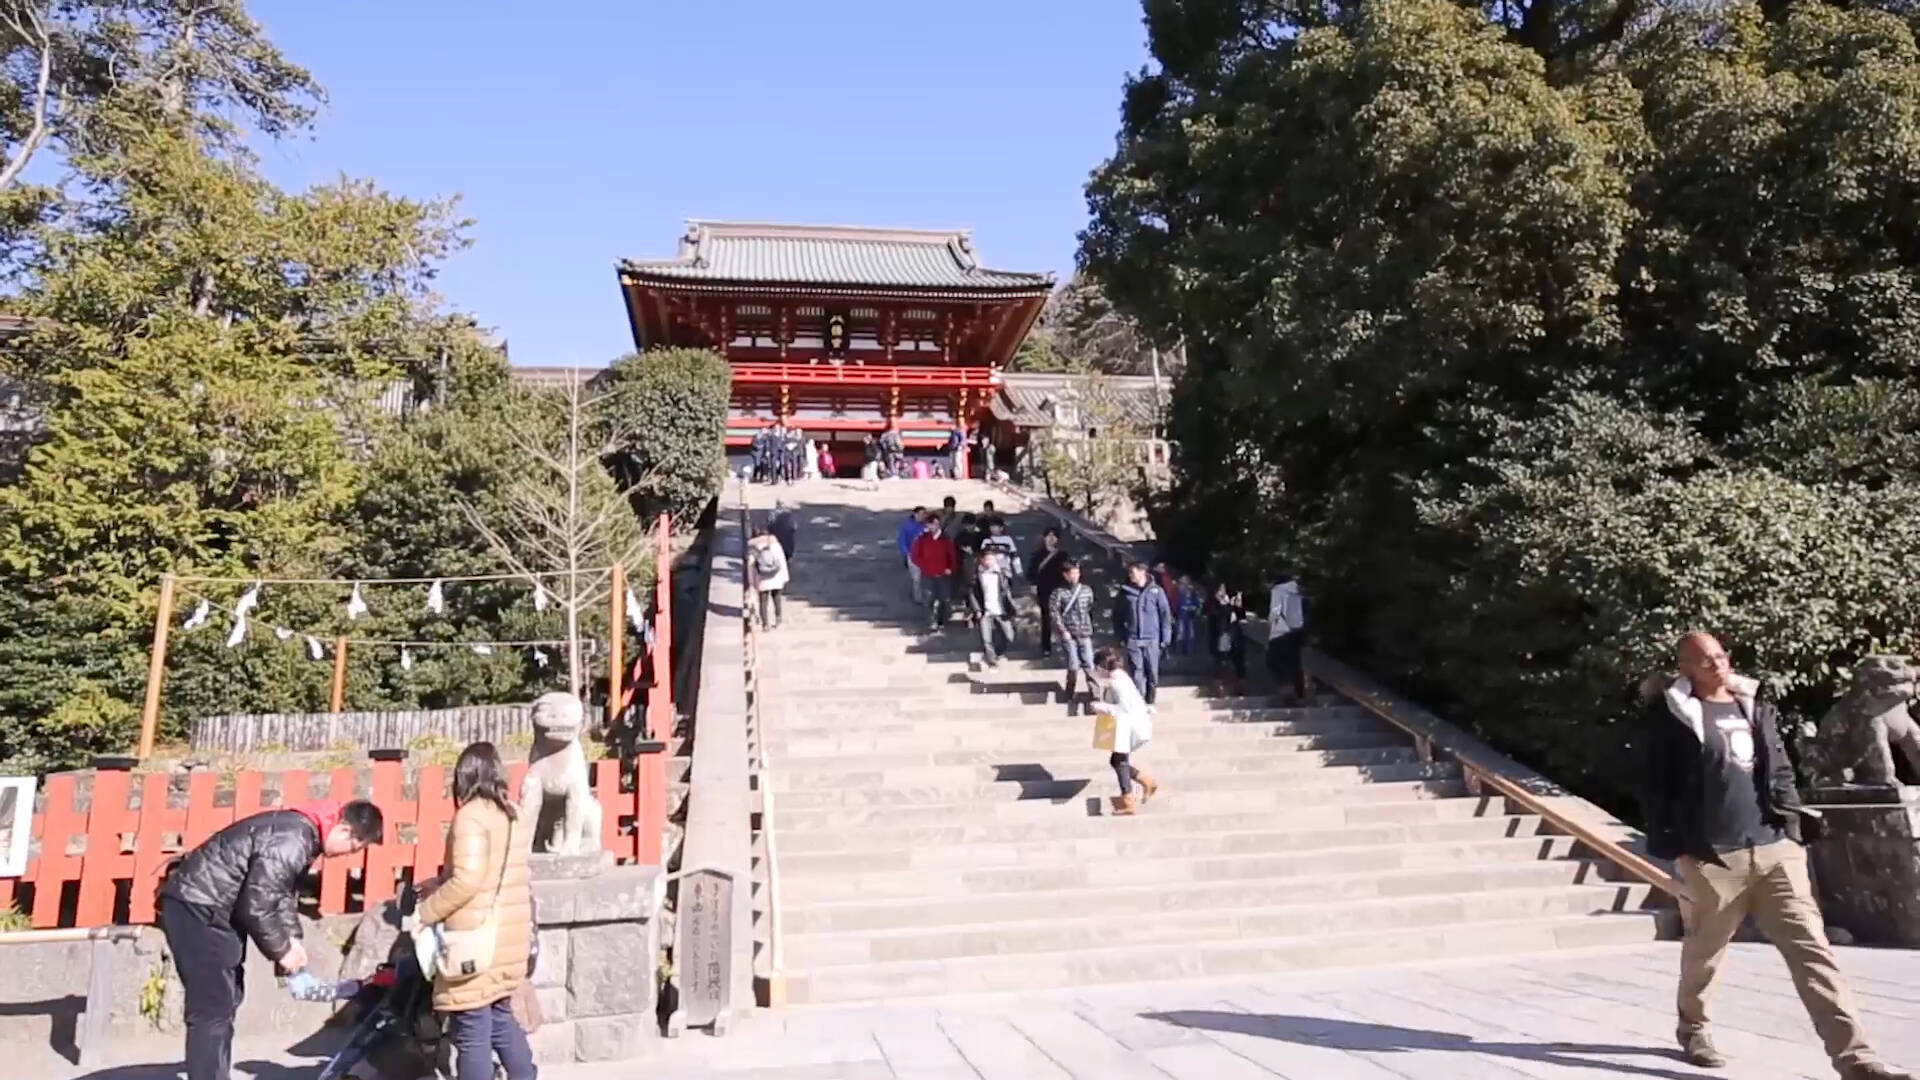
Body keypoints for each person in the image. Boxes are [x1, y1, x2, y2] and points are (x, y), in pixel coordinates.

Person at [1639, 633, 1915, 1080]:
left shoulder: (1753, 706)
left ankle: (1855, 1059)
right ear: (1686, 667)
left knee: (1814, 953)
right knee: (1706, 954)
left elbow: (1780, 768)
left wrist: (1789, 830)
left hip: (1774, 851)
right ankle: (1694, 1029)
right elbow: (1655, 788)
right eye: (1704, 660)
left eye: (1721, 655)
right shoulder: (1671, 719)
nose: (1717, 664)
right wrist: (1682, 853)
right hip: (1714, 858)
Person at [159, 798, 385, 1080]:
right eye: (355, 846)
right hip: (198, 906)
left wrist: (292, 939)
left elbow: (281, 895)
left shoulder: (300, 834)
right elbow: (256, 904)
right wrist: (281, 951)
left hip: (213, 909)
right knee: (213, 1005)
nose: (349, 854)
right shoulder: (293, 838)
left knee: (226, 999)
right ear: (343, 829)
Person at [406, 743, 536, 1080]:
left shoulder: (471, 816)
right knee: (501, 1018)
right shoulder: (514, 812)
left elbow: (467, 881)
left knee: (472, 1027)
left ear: (464, 776)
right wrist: (441, 881)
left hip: (476, 942)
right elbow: (496, 873)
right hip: (509, 937)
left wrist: (425, 913)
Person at [1093, 646, 1159, 816]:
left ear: (1102, 666)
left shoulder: (1116, 683)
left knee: (1119, 761)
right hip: (1129, 726)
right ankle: (1145, 782)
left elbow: (1123, 708)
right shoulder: (1122, 678)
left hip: (1129, 727)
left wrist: (1101, 707)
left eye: (1097, 667)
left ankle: (1128, 799)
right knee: (1117, 760)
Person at [1113, 561, 1173, 705]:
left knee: (1152, 673)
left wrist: (1166, 637)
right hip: (1133, 638)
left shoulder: (1156, 591)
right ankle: (1139, 702)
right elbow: (1117, 616)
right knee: (1136, 673)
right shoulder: (1125, 592)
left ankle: (1150, 701)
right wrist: (1120, 636)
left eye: (1133, 572)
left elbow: (1165, 615)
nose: (1130, 575)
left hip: (1152, 638)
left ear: (1142, 572)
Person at [1049, 559, 1098, 715]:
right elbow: (1054, 612)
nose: (1075, 576)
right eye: (1072, 573)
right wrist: (1062, 630)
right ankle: (1069, 693)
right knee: (1073, 665)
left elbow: (1090, 608)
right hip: (1068, 632)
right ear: (1065, 575)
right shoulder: (1058, 592)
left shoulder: (1087, 590)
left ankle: (1095, 694)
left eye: (1077, 572)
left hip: (1084, 631)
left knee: (1089, 664)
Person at [910, 516, 960, 629]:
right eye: (930, 524)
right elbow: (915, 556)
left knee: (945, 598)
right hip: (928, 574)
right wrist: (924, 566)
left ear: (939, 525)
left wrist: (951, 569)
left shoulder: (946, 539)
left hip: (943, 574)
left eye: (934, 524)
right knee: (928, 598)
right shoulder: (922, 539)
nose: (932, 527)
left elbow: (952, 556)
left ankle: (942, 619)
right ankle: (931, 621)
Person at [1027, 527, 1070, 657]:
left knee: (1063, 616)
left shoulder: (1063, 555)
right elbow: (1031, 572)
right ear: (1044, 538)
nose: (1051, 539)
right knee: (1046, 618)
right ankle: (1046, 646)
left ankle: (1066, 644)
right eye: (1049, 536)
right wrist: (1033, 584)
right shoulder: (1037, 555)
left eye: (1054, 536)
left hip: (1060, 589)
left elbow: (1068, 571)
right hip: (1044, 588)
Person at [1266, 571, 1308, 703]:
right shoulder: (1296, 591)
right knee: (1294, 663)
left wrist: (1270, 626)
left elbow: (1275, 612)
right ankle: (1299, 694)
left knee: (1275, 662)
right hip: (1295, 632)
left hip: (1280, 633)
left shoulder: (1278, 591)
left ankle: (1286, 693)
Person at [976, 549, 1018, 668]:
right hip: (986, 611)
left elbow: (1008, 588)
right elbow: (973, 593)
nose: (989, 562)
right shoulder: (979, 575)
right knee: (986, 638)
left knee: (1009, 636)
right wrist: (977, 609)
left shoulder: (1001, 573)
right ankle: (991, 659)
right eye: (987, 559)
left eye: (991, 559)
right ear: (983, 560)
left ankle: (999, 652)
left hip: (1001, 610)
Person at [1206, 583, 1248, 696]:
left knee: (1239, 660)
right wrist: (1228, 606)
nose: (1222, 593)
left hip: (1234, 634)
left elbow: (1240, 616)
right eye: (1220, 590)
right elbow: (1218, 617)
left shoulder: (1229, 602)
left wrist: (1238, 607)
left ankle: (1240, 687)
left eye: (1224, 590)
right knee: (1221, 661)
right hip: (1222, 636)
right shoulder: (1213, 604)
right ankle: (1219, 689)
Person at [748, 522, 790, 629]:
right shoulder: (775, 544)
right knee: (777, 599)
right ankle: (778, 620)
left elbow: (751, 566)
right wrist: (785, 577)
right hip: (776, 577)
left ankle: (765, 624)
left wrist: (751, 584)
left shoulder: (754, 547)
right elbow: (782, 561)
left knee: (763, 601)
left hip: (763, 579)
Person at [897, 506, 929, 603]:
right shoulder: (906, 526)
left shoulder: (926, 526)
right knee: (917, 578)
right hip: (913, 555)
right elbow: (902, 541)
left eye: (924, 514)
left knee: (926, 577)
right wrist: (907, 554)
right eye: (920, 514)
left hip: (925, 556)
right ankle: (918, 598)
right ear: (915, 514)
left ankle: (924, 595)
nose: (922, 516)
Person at [1174, 572, 1203, 657]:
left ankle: (1188, 650)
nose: (1184, 582)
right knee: (1181, 631)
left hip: (1189, 613)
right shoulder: (1178, 589)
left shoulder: (1191, 590)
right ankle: (1180, 651)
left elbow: (1195, 600)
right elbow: (1176, 601)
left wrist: (1194, 607)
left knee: (1189, 631)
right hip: (1181, 612)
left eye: (1185, 580)